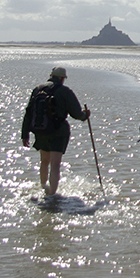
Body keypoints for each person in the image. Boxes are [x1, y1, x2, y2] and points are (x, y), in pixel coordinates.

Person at [21, 66, 90, 196]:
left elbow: (28, 113)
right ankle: (52, 195)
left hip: (40, 130)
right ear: (62, 78)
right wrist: (85, 116)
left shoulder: (38, 89)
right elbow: (76, 113)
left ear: (51, 75)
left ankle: (43, 187)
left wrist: (24, 135)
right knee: (55, 164)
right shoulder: (64, 91)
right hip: (58, 132)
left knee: (44, 161)